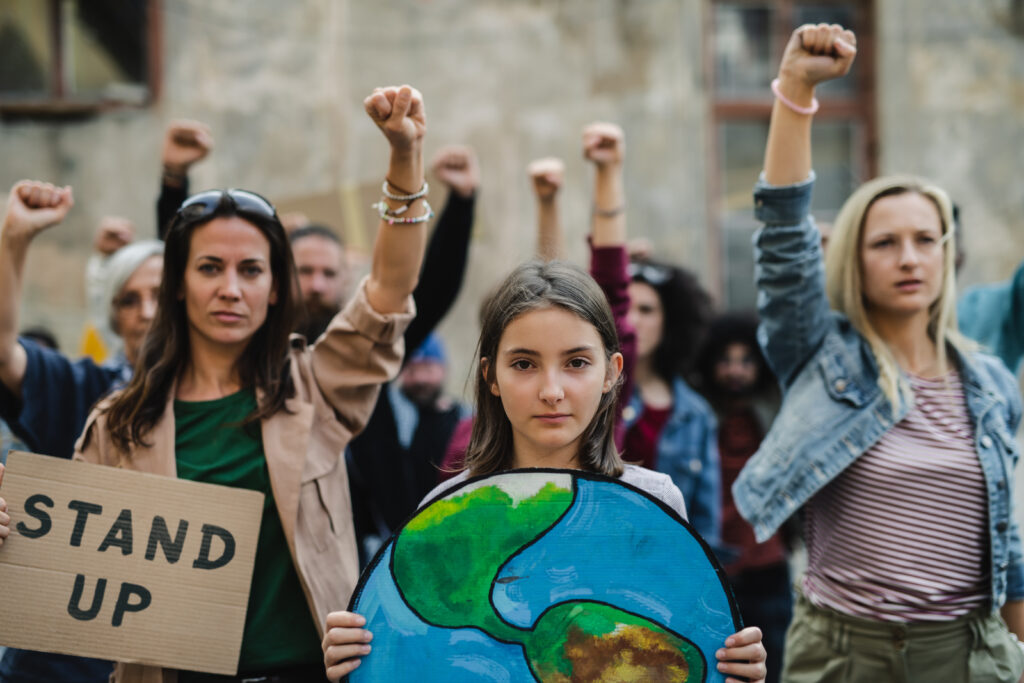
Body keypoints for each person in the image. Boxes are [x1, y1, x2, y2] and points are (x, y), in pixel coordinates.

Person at [0, 84, 429, 683]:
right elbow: (62, 569)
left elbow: (389, 289)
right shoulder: (119, 422)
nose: (231, 287)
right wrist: (13, 537)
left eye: (251, 269)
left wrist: (404, 157)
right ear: (179, 283)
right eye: (210, 268)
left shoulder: (317, 387)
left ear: (276, 288)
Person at [732, 24, 1024, 682]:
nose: (909, 257)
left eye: (926, 238)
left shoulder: (991, 381)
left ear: (948, 255)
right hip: (841, 654)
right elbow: (782, 237)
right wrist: (797, 91)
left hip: (970, 654)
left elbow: (1006, 541)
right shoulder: (823, 355)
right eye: (884, 242)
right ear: (852, 261)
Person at [323, 259, 768, 683]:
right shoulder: (447, 512)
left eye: (576, 362)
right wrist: (362, 653)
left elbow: (681, 647)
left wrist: (731, 665)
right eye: (523, 364)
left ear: (612, 372)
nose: (551, 391)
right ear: (490, 376)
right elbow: (417, 657)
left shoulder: (656, 502)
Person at [695, 312, 790, 683]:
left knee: (774, 666)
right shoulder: (698, 418)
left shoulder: (771, 414)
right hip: (718, 566)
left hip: (769, 566)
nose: (736, 370)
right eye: (726, 360)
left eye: (746, 360)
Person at [622, 257, 721, 549]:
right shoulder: (594, 398)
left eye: (646, 309)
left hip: (667, 564)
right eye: (625, 306)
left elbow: (705, 521)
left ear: (669, 320)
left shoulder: (696, 414)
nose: (633, 319)